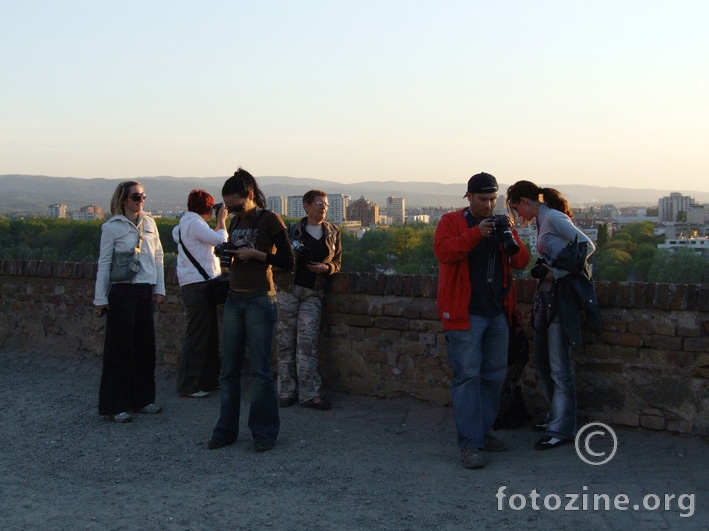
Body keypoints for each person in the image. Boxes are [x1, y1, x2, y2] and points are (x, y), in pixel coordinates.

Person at [434, 172, 530, 469]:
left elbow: (522, 262)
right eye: (482, 199)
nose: (488, 205)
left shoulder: (501, 224)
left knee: (494, 376)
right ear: (469, 197)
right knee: (467, 378)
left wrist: (511, 234)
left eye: (492, 199)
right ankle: (470, 444)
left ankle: (482, 433)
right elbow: (444, 252)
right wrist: (477, 233)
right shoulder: (451, 222)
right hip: (466, 314)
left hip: (497, 313)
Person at [208, 168, 295, 452]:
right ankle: (225, 430)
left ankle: (264, 432)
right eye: (228, 207)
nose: (232, 211)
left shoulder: (269, 219)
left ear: (250, 196)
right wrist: (228, 257)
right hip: (235, 298)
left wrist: (256, 255)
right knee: (228, 370)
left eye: (236, 205)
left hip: (260, 299)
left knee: (260, 371)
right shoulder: (236, 223)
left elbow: (287, 261)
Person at [506, 180, 597, 450]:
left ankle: (562, 429)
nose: (517, 214)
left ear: (524, 201)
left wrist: (555, 271)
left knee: (559, 367)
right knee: (543, 363)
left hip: (560, 298)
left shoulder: (554, 218)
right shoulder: (541, 221)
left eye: (515, 207)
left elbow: (587, 246)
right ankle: (555, 417)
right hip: (545, 298)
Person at [94, 181, 166, 423]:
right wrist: (100, 298)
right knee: (120, 351)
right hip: (123, 293)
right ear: (124, 199)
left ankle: (142, 400)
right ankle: (116, 405)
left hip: (145, 291)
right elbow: (104, 264)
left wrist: (160, 289)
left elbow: (158, 257)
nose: (141, 200)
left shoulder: (150, 223)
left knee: (145, 349)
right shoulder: (111, 227)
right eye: (136, 197)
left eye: (143, 196)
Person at [276, 190, 342, 411]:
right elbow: (280, 259)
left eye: (326, 204)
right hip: (288, 290)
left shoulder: (333, 232)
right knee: (285, 342)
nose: (323, 207)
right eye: (318, 203)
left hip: (313, 293)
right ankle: (286, 392)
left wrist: (327, 268)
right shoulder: (292, 231)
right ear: (306, 206)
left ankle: (310, 393)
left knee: (308, 344)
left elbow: (338, 263)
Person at [172, 190, 229, 398]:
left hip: (193, 285)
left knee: (208, 335)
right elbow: (221, 241)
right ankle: (188, 385)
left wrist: (215, 223)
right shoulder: (194, 224)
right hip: (198, 286)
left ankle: (207, 380)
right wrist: (222, 221)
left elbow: (208, 239)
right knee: (197, 336)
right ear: (206, 207)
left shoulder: (184, 225)